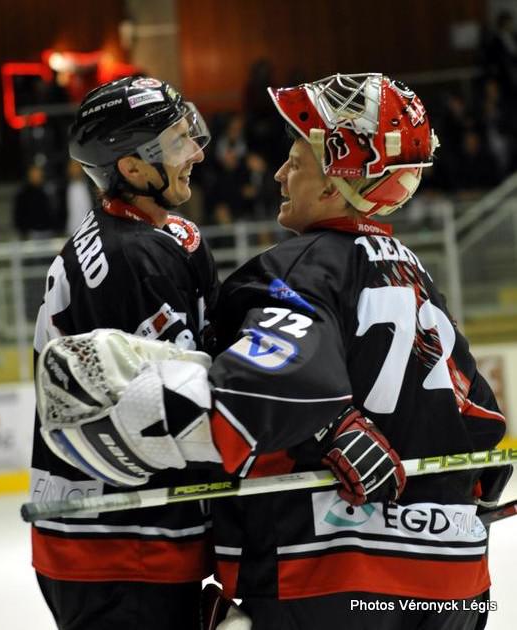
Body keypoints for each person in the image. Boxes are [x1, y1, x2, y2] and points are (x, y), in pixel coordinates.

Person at [36, 73, 509, 629]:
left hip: (327, 574)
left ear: (336, 184)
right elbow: (481, 428)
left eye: (297, 162)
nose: (281, 172)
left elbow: (259, 388)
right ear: (133, 167)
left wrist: (321, 419)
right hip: (456, 578)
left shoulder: (291, 270)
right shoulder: (413, 269)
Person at [30, 75, 219, 630]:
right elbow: (183, 419)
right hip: (121, 545)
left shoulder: (160, 237)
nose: (197, 152)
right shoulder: (135, 260)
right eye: (179, 142)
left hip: (109, 537)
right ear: (133, 170)